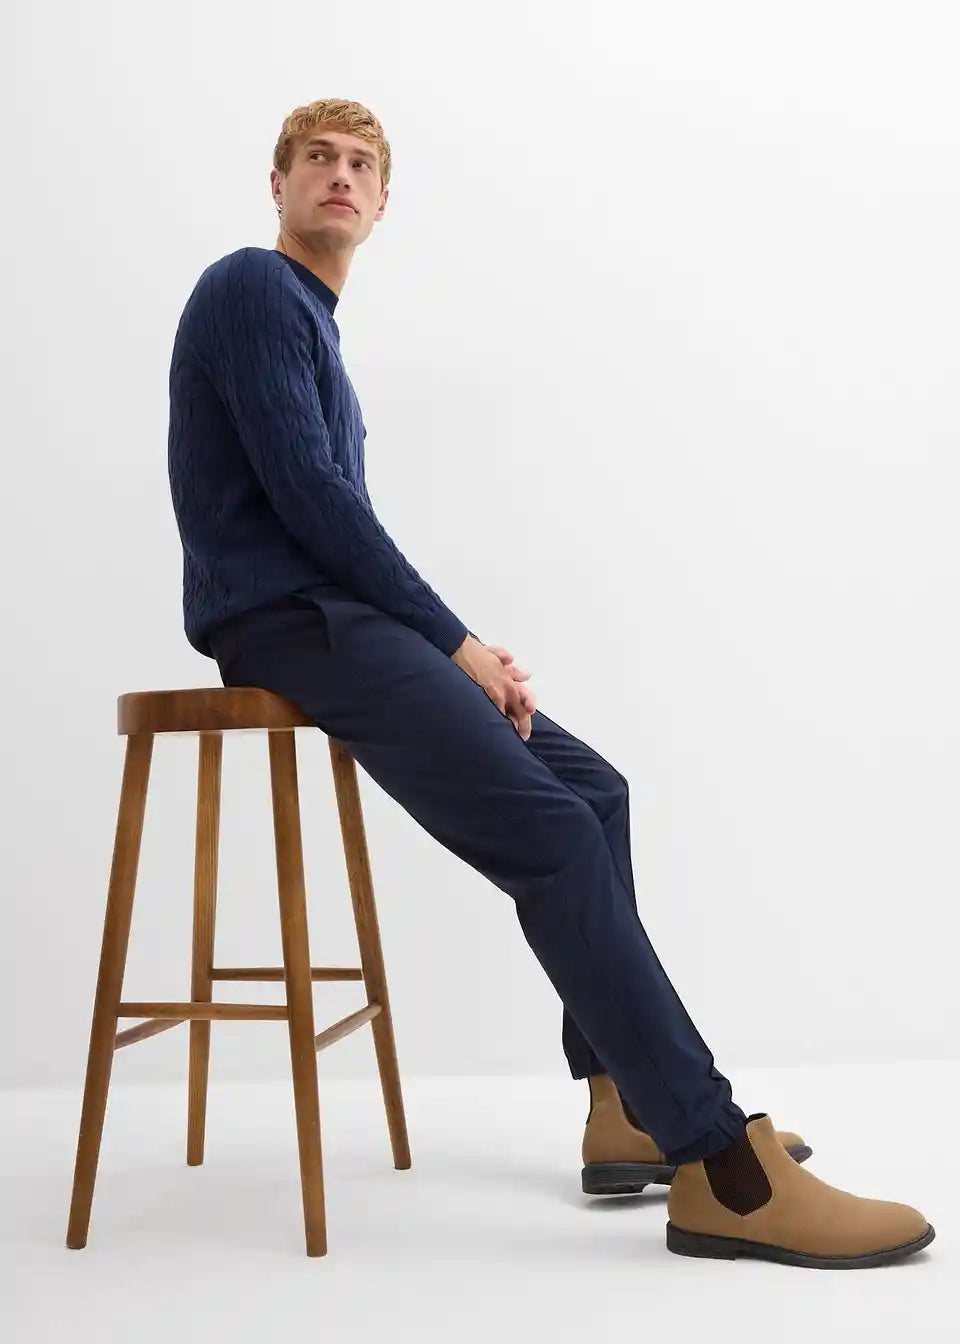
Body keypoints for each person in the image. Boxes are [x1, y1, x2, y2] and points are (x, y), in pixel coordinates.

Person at [166, 98, 933, 1269]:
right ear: (277, 183)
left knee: (596, 793)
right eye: (317, 158)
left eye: (362, 163)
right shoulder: (252, 287)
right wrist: (458, 644)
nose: (339, 175)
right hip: (286, 622)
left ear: (384, 202)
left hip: (340, 618)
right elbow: (314, 506)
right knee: (552, 835)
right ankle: (719, 1165)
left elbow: (333, 515)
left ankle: (624, 1107)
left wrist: (453, 651)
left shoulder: (312, 324)